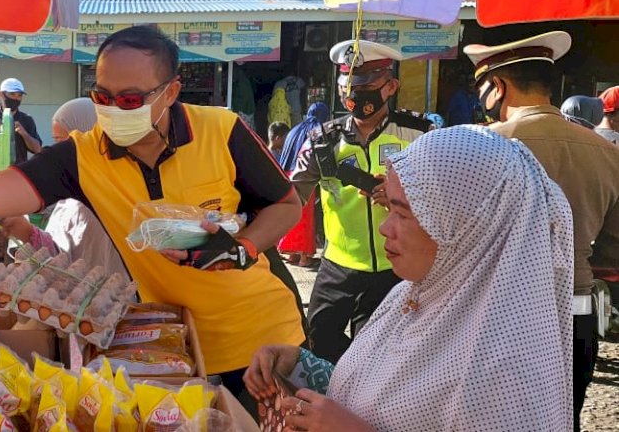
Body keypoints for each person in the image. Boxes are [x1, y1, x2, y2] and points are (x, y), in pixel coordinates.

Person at [0, 25, 305, 407]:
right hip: (170, 343)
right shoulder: (82, 156)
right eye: (102, 97)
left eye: (130, 100)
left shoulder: (221, 130)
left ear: (171, 92)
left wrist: (240, 248)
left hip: (261, 337)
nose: (113, 110)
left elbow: (287, 205)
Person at [245, 125, 574, 432]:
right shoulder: (413, 295)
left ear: (465, 229)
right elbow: (379, 394)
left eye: (402, 213)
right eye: (389, 209)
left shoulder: (507, 368)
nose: (385, 228)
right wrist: (298, 368)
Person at [465, 31, 619, 431]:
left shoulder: (477, 146)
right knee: (563, 418)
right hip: (575, 311)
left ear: (497, 87)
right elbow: (613, 254)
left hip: (495, 313)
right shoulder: (607, 152)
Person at [290, 40, 432, 364]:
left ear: (391, 86)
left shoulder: (420, 135)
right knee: (317, 340)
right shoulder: (322, 141)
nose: (355, 93)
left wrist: (402, 199)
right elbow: (289, 196)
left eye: (366, 84)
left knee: (382, 352)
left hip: (392, 267)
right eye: (348, 86)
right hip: (336, 265)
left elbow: (446, 198)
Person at [0, 97, 129, 278]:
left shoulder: (109, 196)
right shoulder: (71, 191)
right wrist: (26, 231)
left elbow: (78, 263)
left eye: (62, 141)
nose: (57, 150)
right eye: (56, 140)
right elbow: (60, 254)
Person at [278, 102, 329, 267]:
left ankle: (292, 253)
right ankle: (305, 257)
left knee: (292, 214)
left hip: (287, 174)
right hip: (305, 176)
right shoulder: (318, 129)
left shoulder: (295, 129)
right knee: (306, 218)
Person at [0, 78, 42, 164]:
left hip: (18, 172)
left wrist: (24, 134)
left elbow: (38, 149)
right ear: (1, 94)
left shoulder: (27, 119)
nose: (16, 98)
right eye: (12, 94)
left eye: (19, 95)